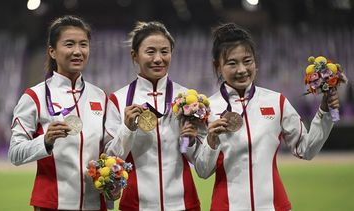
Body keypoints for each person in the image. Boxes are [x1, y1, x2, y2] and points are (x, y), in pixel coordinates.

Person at [194, 23, 340, 211]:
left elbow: (306, 149)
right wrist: (212, 140)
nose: (241, 70)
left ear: (255, 61)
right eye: (232, 63)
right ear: (218, 66)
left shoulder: (276, 101)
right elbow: (203, 171)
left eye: (247, 61)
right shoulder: (206, 109)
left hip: (274, 206)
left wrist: (325, 112)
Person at [8, 15, 108, 211]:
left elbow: (108, 150)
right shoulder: (34, 96)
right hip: (52, 204)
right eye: (69, 44)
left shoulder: (100, 96)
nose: (78, 51)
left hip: (95, 205)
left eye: (83, 45)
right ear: (52, 52)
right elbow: (15, 154)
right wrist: (45, 141)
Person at [104, 21, 202, 211]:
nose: (158, 58)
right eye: (150, 52)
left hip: (183, 204)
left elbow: (194, 159)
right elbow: (111, 159)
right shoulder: (118, 100)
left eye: (164, 51)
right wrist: (127, 129)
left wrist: (188, 141)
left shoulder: (188, 98)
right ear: (135, 55)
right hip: (136, 205)